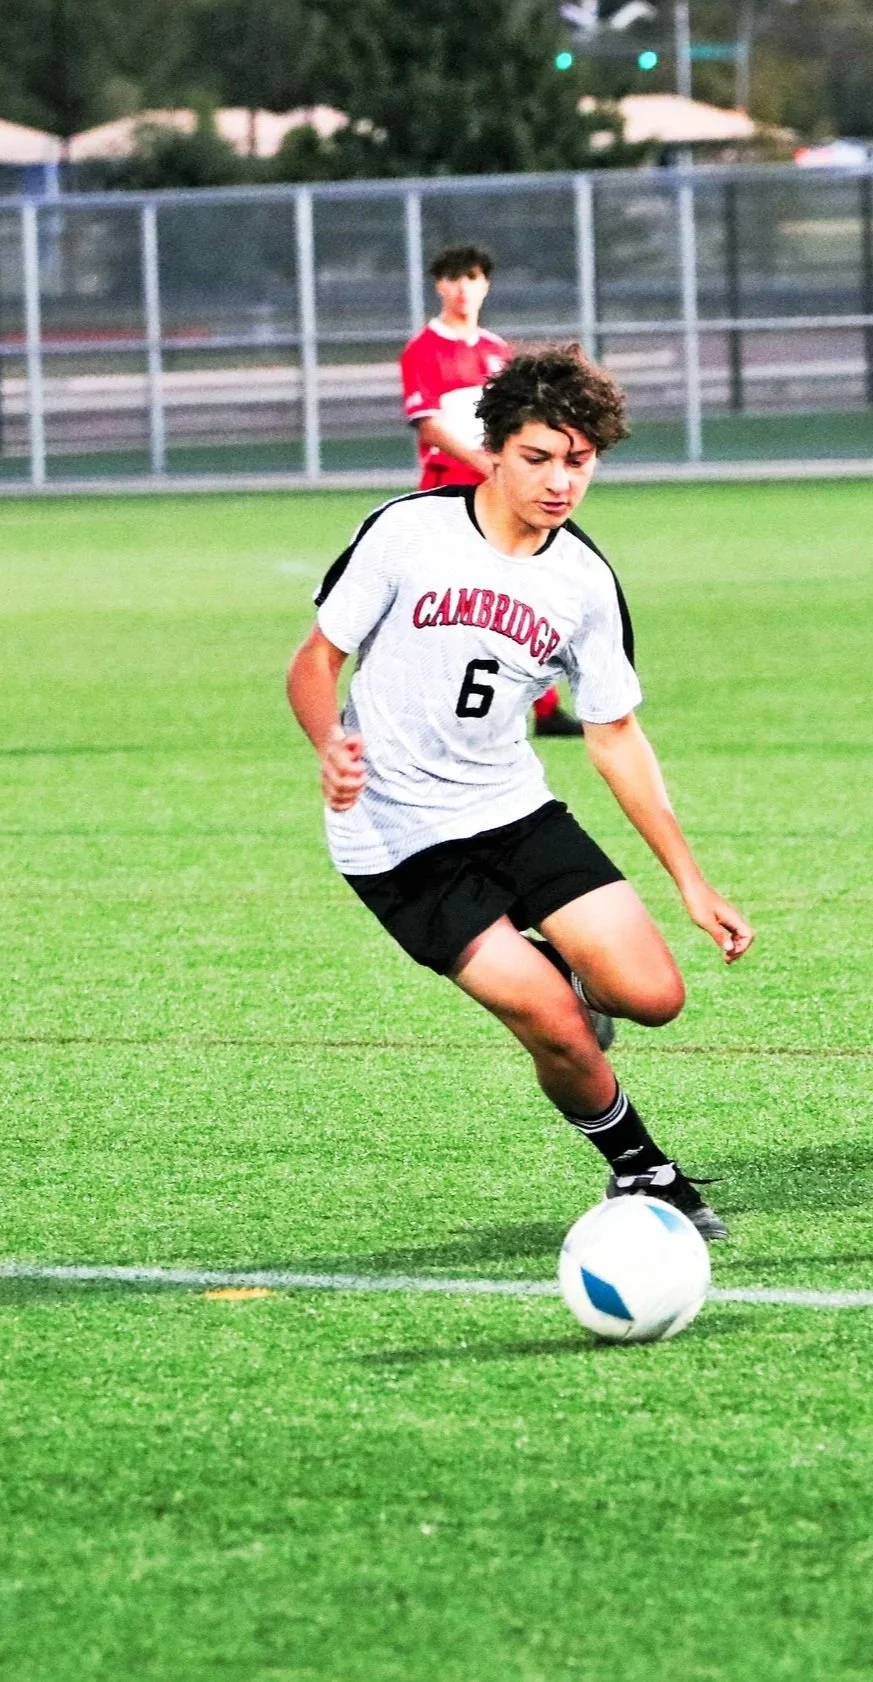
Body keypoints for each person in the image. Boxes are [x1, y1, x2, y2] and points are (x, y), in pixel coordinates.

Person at [289, 345, 754, 1240]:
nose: (559, 481)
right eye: (539, 457)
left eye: (579, 461)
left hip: (511, 808)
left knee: (655, 997)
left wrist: (693, 882)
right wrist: (330, 741)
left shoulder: (582, 581)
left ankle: (560, 964)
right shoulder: (407, 532)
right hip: (395, 838)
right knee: (559, 1027)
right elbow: (315, 661)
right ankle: (643, 1171)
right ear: (493, 449)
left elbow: (615, 736)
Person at [399, 242, 582, 737]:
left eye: (473, 278)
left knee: (519, 588)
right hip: (451, 486)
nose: (463, 289)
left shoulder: (495, 350)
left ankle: (543, 709)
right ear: (440, 286)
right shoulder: (423, 350)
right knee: (447, 598)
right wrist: (485, 462)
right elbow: (429, 425)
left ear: (486, 285)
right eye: (454, 279)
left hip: (501, 488)